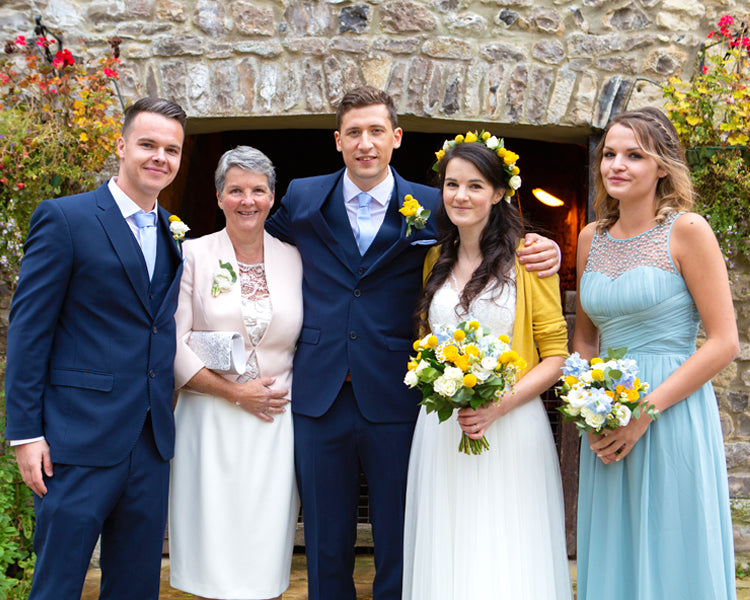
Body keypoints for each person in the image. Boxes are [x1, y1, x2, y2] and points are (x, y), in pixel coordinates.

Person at [264, 85, 561, 600]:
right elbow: (258, 246)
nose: (365, 143)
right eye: (353, 132)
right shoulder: (302, 197)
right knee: (324, 541)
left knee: (403, 539)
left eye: (376, 130)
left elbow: (491, 233)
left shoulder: (435, 204)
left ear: (396, 137)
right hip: (319, 391)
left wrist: (547, 246)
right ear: (337, 140)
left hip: (399, 397)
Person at [4, 97, 187, 599]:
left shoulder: (173, 233)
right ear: (121, 145)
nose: (160, 158)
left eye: (171, 150)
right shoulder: (66, 219)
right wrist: (24, 434)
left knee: (135, 588)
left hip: (149, 444)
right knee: (58, 586)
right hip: (75, 443)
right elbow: (28, 330)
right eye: (148, 144)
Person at [573, 107, 739, 599]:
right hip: (606, 414)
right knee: (614, 543)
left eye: (634, 155)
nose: (616, 165)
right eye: (609, 154)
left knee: (672, 543)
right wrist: (589, 405)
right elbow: (585, 338)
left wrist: (643, 412)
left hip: (670, 414)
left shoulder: (688, 230)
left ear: (662, 165)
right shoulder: (590, 239)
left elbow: (724, 341)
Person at [402, 138, 572, 599]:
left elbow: (557, 355)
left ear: (499, 193)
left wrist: (497, 406)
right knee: (450, 541)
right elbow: (426, 344)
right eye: (452, 184)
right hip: (443, 427)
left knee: (506, 543)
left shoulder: (529, 259)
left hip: (510, 426)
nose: (461, 195)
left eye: (475, 185)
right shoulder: (435, 259)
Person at [168, 146, 302, 600]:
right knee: (214, 540)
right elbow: (173, 340)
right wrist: (234, 393)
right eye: (236, 190)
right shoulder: (192, 254)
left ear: (272, 197)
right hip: (210, 418)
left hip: (275, 421)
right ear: (220, 196)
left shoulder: (294, 258)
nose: (248, 200)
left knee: (262, 541)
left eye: (258, 190)